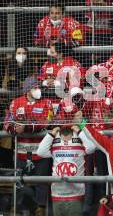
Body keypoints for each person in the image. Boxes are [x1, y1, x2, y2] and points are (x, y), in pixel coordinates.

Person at [3, 78, 53, 216]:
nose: (38, 90)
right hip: (21, 152)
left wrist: (27, 126)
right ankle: (16, 207)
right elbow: (7, 122)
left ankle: (41, 208)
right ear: (27, 89)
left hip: (41, 152)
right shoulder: (15, 102)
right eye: (35, 87)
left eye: (39, 87)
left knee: (41, 182)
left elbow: (47, 122)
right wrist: (14, 129)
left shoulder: (47, 102)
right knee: (19, 181)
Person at [36, 125, 95, 216]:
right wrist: (51, 134)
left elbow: (91, 148)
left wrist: (80, 132)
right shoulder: (54, 138)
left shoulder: (79, 136)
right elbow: (40, 152)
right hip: (57, 193)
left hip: (76, 193)